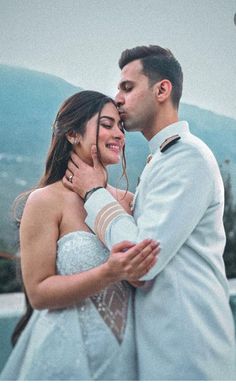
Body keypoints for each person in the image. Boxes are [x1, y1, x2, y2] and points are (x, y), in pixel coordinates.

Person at [63, 46, 236, 380]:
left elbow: (141, 263)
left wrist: (95, 194)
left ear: (161, 90)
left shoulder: (187, 159)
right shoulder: (164, 158)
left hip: (189, 355)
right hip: (164, 353)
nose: (118, 96)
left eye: (127, 87)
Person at [0, 90, 160, 381]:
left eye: (121, 127)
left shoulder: (128, 201)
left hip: (126, 361)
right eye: (107, 124)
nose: (119, 135)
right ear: (73, 133)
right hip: (65, 359)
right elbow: (38, 293)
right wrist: (108, 273)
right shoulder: (45, 201)